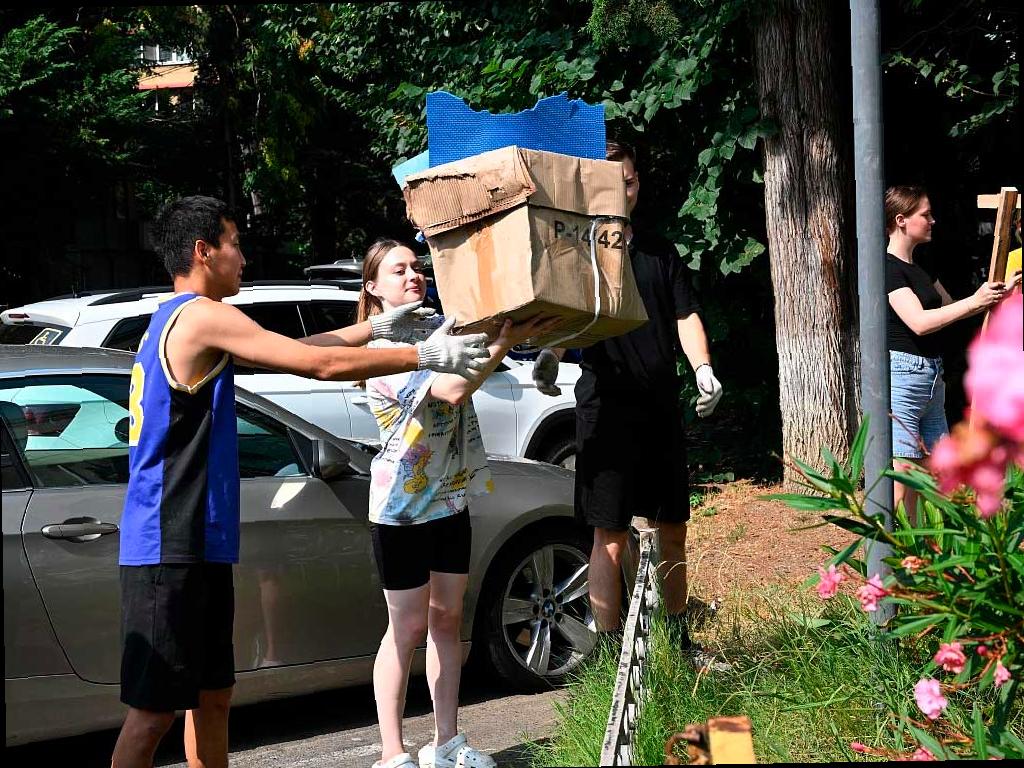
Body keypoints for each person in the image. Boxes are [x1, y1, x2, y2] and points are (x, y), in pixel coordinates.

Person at [111, 196, 491, 768]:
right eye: (234, 243)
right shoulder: (200, 314)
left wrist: (372, 328)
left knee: (213, 697)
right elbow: (319, 368)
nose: (243, 256)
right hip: (167, 540)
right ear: (202, 251)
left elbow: (289, 354)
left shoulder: (188, 319)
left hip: (198, 539)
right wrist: (422, 353)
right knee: (153, 713)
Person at [356, 239, 559, 768]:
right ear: (373, 287)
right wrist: (500, 345)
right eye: (398, 271)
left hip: (448, 502)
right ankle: (393, 753)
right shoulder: (382, 350)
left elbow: (490, 327)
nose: (413, 276)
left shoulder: (434, 329)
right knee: (405, 630)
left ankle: (447, 741)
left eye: (417, 267)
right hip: (400, 509)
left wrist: (521, 328)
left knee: (447, 619)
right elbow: (450, 389)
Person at [533, 140, 724, 665]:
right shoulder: (575, 251)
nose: (622, 189)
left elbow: (686, 315)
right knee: (609, 537)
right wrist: (550, 354)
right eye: (612, 180)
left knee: (673, 531)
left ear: (638, 183)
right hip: (605, 410)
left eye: (630, 180)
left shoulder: (661, 252)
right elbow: (559, 315)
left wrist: (703, 368)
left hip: (660, 405)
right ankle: (613, 653)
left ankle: (679, 639)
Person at [884, 185, 1020, 520]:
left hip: (932, 377)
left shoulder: (920, 267)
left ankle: (925, 554)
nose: (932, 220)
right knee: (904, 471)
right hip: (903, 374)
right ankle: (898, 554)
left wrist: (995, 297)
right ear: (901, 220)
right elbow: (918, 323)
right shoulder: (887, 269)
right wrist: (976, 301)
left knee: (937, 469)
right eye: (925, 215)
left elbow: (953, 308)